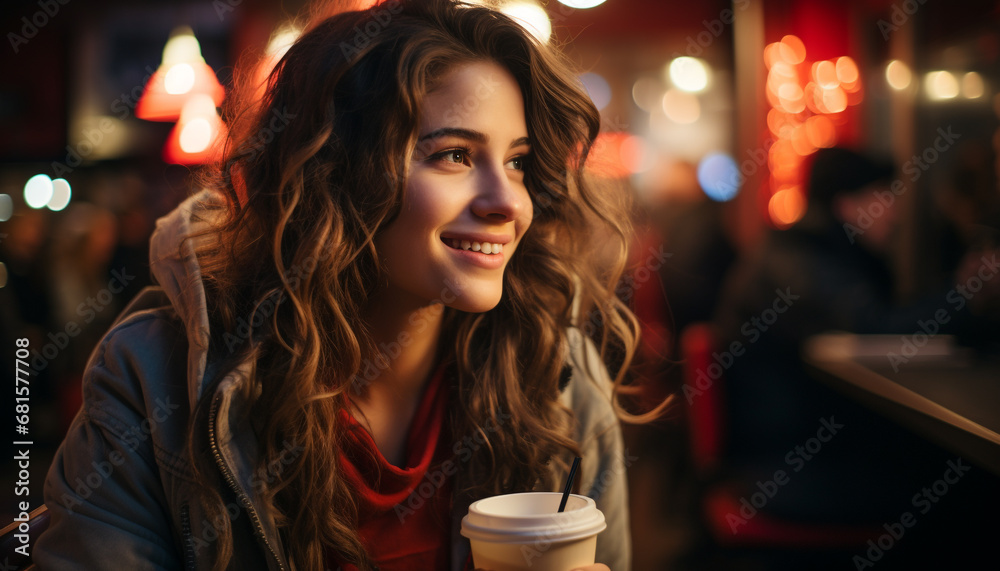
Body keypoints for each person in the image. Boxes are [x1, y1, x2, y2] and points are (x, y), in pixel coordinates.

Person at [36, 1, 659, 569]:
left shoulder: (559, 372)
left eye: (517, 161)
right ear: (338, 175)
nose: (507, 202)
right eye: (455, 156)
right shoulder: (154, 378)